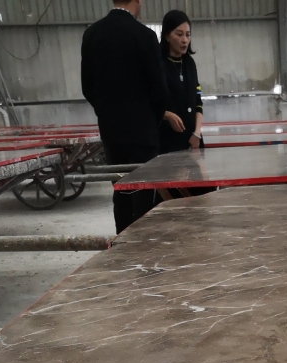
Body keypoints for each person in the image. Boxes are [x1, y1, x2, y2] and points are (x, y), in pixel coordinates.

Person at [81, 0, 169, 233]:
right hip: (143, 133)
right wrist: (153, 118)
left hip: (112, 132)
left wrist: (106, 113)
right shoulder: (145, 36)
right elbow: (160, 89)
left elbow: (87, 87)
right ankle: (143, 245)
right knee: (143, 195)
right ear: (136, 1)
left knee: (121, 192)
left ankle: (123, 243)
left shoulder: (92, 35)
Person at [158, 11, 203, 155]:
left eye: (187, 35)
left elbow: (198, 101)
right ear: (167, 36)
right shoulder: (158, 64)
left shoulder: (189, 63)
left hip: (193, 140)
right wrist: (167, 115)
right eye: (179, 34)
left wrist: (197, 133)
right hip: (167, 141)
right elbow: (149, 102)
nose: (184, 40)